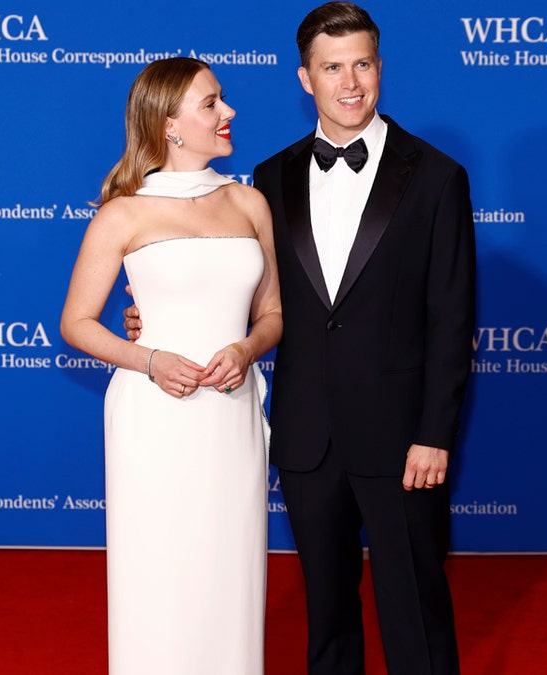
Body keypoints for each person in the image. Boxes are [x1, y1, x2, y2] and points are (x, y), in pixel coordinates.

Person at [123, 3, 476, 673]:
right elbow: (255, 298)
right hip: (307, 434)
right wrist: (158, 323)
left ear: (380, 68)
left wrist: (434, 433)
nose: (351, 83)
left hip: (402, 436)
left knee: (416, 612)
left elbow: (452, 318)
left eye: (363, 64)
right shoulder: (269, 176)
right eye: (332, 67)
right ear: (304, 78)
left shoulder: (436, 177)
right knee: (327, 616)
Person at [60, 57, 282, 675]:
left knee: (228, 566)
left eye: (223, 99)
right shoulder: (122, 214)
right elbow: (76, 323)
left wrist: (244, 349)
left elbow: (273, 315)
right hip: (152, 418)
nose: (228, 112)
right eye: (211, 104)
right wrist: (149, 359)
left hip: (231, 413)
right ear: (169, 125)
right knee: (157, 568)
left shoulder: (249, 203)